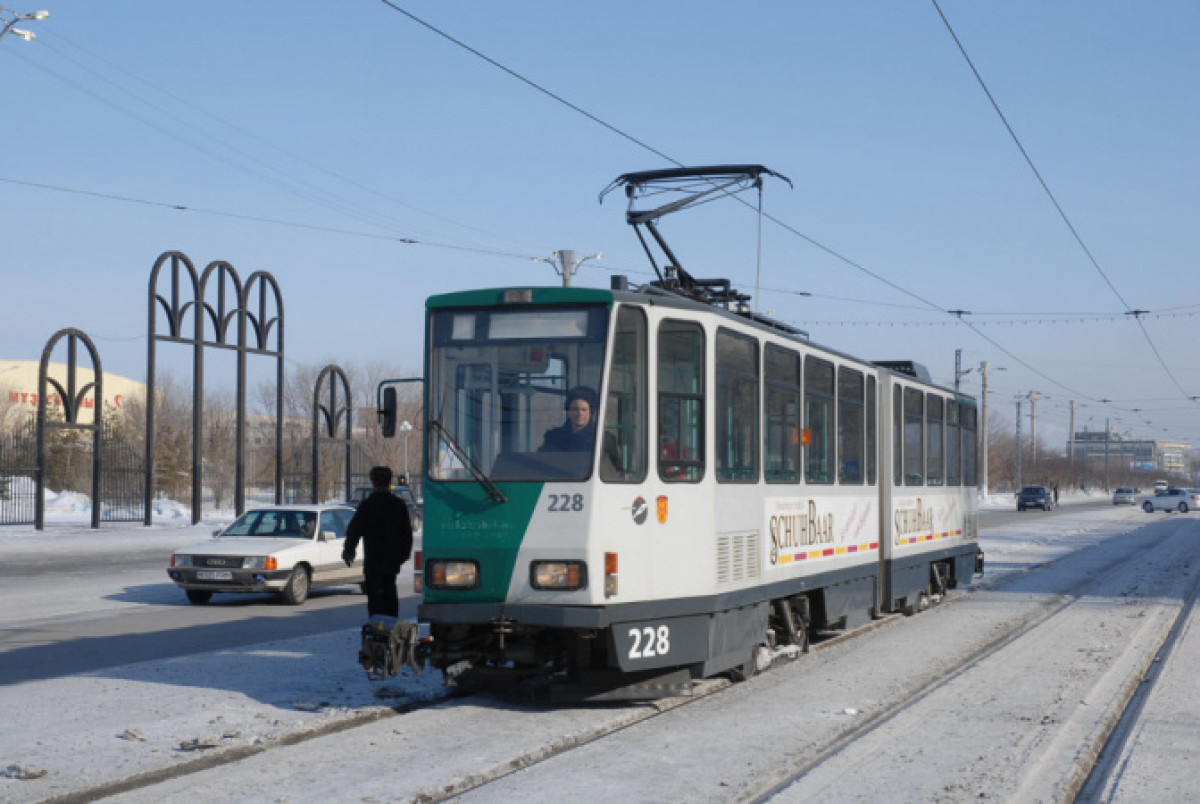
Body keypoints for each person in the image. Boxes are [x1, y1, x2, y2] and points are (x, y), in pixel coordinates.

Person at [343, 466, 413, 619]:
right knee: (390, 594)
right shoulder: (398, 505)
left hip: (373, 561)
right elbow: (407, 534)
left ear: (373, 482)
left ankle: (377, 630)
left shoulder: (367, 505)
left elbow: (354, 530)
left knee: (375, 599)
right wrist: (402, 556)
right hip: (391, 561)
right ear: (389, 482)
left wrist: (349, 551)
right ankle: (390, 629)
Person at [539, 386, 620, 469]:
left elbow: (616, 471)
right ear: (568, 411)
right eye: (575, 409)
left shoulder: (604, 439)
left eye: (584, 410)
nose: (580, 414)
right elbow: (540, 463)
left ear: (591, 412)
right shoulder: (553, 438)